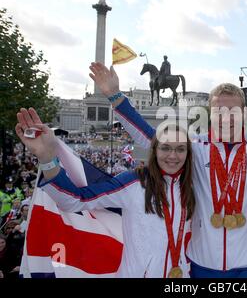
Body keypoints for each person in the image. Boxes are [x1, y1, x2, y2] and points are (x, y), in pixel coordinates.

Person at [88, 62, 247, 278]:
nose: (226, 117)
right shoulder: (195, 146)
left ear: (244, 113)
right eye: (219, 111)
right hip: (203, 262)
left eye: (233, 111)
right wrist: (116, 97)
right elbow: (151, 138)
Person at [15, 107, 195, 278]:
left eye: (180, 149)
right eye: (165, 147)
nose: (173, 156)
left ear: (188, 153)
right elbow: (75, 201)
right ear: (154, 150)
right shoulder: (134, 182)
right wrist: (47, 159)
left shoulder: (195, 186)